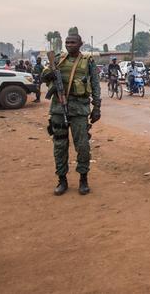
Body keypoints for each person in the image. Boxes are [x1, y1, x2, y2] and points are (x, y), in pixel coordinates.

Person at [42, 27, 101, 196]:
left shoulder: (87, 61)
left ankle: (83, 178)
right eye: (67, 42)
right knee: (60, 146)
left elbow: (95, 85)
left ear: (80, 44)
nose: (69, 45)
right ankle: (62, 180)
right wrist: (50, 74)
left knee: (82, 146)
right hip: (59, 109)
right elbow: (43, 77)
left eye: (72, 42)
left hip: (80, 109)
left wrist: (97, 107)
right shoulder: (58, 59)